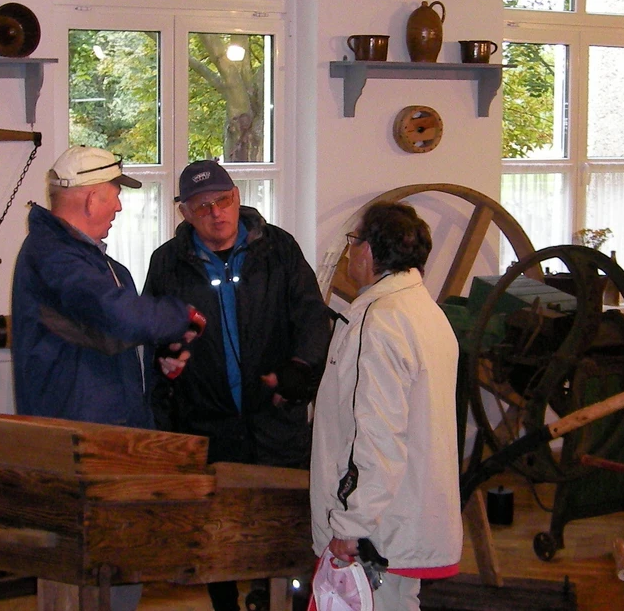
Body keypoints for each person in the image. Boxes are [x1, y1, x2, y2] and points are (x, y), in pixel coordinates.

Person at [144, 159, 332, 611]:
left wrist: (301, 368)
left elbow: (312, 316)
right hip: (207, 426)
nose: (216, 213)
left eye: (223, 200)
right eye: (202, 206)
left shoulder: (279, 249)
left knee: (285, 533)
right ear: (185, 213)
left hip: (275, 421)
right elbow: (153, 338)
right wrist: (168, 366)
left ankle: (275, 601)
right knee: (217, 537)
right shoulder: (167, 263)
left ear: (238, 196)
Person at [309, 201, 462, 611]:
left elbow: (376, 434)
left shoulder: (379, 322)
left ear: (369, 251)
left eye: (353, 241)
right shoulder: (425, 312)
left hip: (378, 529)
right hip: (407, 515)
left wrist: (351, 524)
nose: (349, 252)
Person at [11, 144, 200, 425]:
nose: (119, 207)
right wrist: (180, 316)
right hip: (75, 436)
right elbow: (115, 312)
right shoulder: (52, 256)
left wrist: (157, 357)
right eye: (116, 195)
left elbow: (103, 335)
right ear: (91, 200)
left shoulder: (103, 267)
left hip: (107, 430)